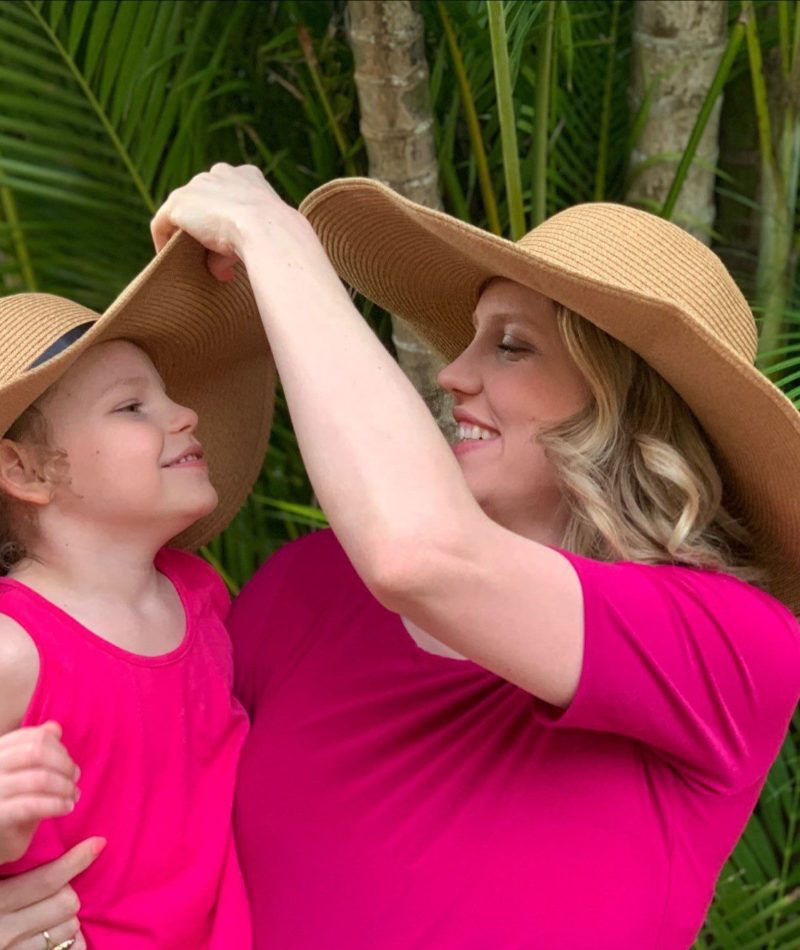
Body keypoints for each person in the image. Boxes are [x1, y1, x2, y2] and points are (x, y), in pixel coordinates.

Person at [4, 163, 800, 948]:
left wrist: (279, 241)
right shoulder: (307, 589)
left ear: (622, 396)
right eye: (468, 342)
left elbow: (424, 557)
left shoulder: (731, 644)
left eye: (511, 347)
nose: (453, 373)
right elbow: (132, 809)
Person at [0, 234, 273, 949]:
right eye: (132, 407)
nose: (183, 414)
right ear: (24, 469)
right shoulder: (14, 644)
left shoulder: (200, 594)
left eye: (169, 396)